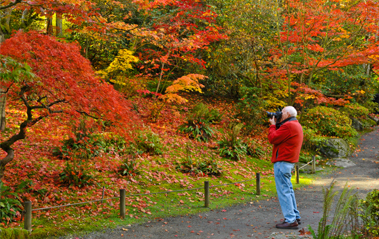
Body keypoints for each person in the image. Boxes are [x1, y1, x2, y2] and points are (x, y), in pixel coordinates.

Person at [268, 106, 303, 229]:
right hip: (288, 162)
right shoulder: (295, 124)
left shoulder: (288, 126)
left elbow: (272, 138)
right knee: (288, 189)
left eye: (282, 112)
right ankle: (295, 216)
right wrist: (278, 123)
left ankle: (291, 219)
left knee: (284, 191)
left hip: (283, 162)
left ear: (287, 114)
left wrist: (272, 125)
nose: (279, 114)